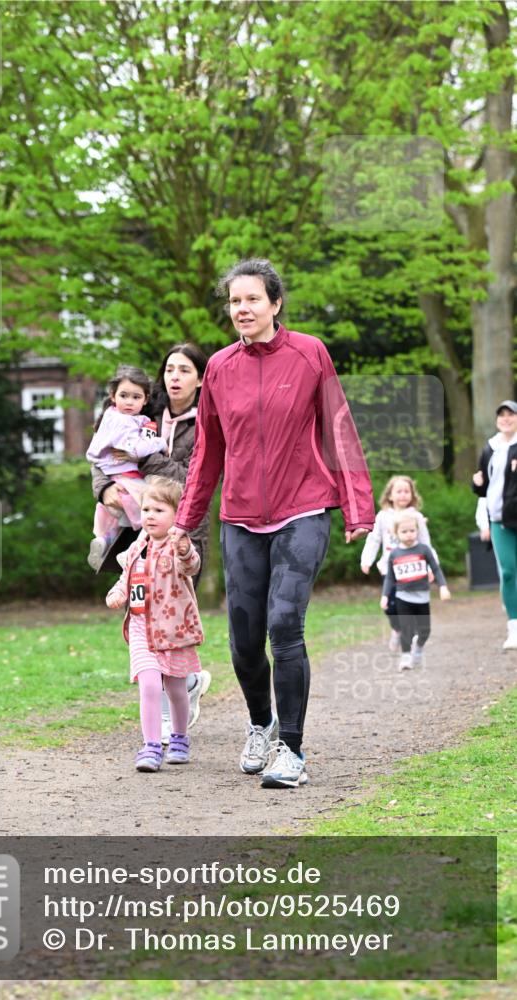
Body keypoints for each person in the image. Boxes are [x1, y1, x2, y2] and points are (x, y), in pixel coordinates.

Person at [171, 258, 375, 790]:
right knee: (242, 641)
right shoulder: (217, 367)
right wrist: (185, 523)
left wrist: (358, 508)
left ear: (275, 303)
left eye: (252, 299)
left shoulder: (310, 353)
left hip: (302, 508)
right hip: (240, 516)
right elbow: (208, 453)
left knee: (285, 626)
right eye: (235, 301)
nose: (242, 309)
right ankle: (261, 724)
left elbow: (338, 427)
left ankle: (294, 748)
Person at [92, 344, 212, 741]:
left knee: (171, 616)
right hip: (135, 527)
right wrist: (104, 488)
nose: (175, 377)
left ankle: (182, 685)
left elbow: (188, 477)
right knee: (142, 613)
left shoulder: (207, 421)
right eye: (170, 369)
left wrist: (143, 457)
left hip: (184, 532)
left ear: (199, 378)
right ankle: (172, 697)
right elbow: (103, 455)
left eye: (185, 370)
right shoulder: (140, 411)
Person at [105, 476, 204, 772]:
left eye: (159, 510)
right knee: (149, 685)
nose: (150, 515)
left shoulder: (178, 546)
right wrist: (118, 591)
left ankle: (180, 738)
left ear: (176, 515)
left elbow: (191, 565)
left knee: (175, 689)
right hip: (141, 628)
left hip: (173, 630)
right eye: (146, 509)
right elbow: (128, 577)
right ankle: (150, 746)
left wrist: (185, 549)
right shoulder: (137, 547)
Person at [86, 365, 167, 571]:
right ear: (113, 396)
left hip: (113, 481)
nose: (129, 402)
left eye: (135, 397)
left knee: (117, 522)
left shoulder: (110, 417)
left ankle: (104, 541)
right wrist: (161, 443)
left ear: (145, 399)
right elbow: (137, 449)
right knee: (150, 515)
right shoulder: (125, 422)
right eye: (124, 395)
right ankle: (130, 552)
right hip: (130, 481)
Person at [360, 475, 439, 652]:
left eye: (407, 491)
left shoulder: (416, 517)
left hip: (411, 569)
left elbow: (425, 543)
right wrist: (367, 560)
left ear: (412, 495)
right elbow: (374, 540)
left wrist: (431, 566)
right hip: (389, 567)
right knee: (389, 605)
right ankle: (397, 628)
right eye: (399, 491)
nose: (403, 495)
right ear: (390, 495)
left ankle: (408, 634)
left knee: (407, 603)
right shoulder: (382, 517)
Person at [472, 400, 517, 650]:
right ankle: (514, 627)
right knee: (508, 572)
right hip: (499, 520)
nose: (506, 419)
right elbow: (483, 486)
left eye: (511, 414)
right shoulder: (490, 447)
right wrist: (476, 483)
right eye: (502, 415)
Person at [381, 510, 451, 670]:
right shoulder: (394, 554)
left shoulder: (424, 549)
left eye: (412, 531)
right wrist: (385, 596)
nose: (409, 534)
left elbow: (436, 569)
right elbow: (390, 578)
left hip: (422, 597)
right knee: (406, 628)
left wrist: (443, 587)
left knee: (425, 630)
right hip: (402, 597)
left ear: (418, 531)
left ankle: (418, 647)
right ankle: (406, 657)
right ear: (396, 533)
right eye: (404, 531)